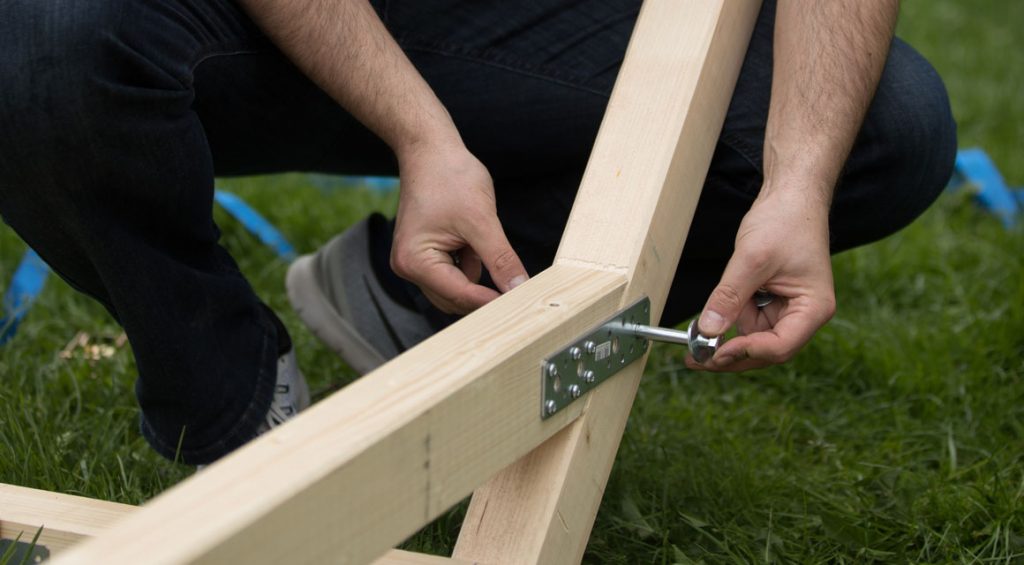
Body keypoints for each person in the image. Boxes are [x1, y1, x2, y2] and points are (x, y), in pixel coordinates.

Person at [0, 0, 956, 465]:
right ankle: (229, 403)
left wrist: (796, 181)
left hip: (511, 21)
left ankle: (410, 302)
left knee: (887, 125)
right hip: (230, 20)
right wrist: (422, 133)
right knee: (37, 34)